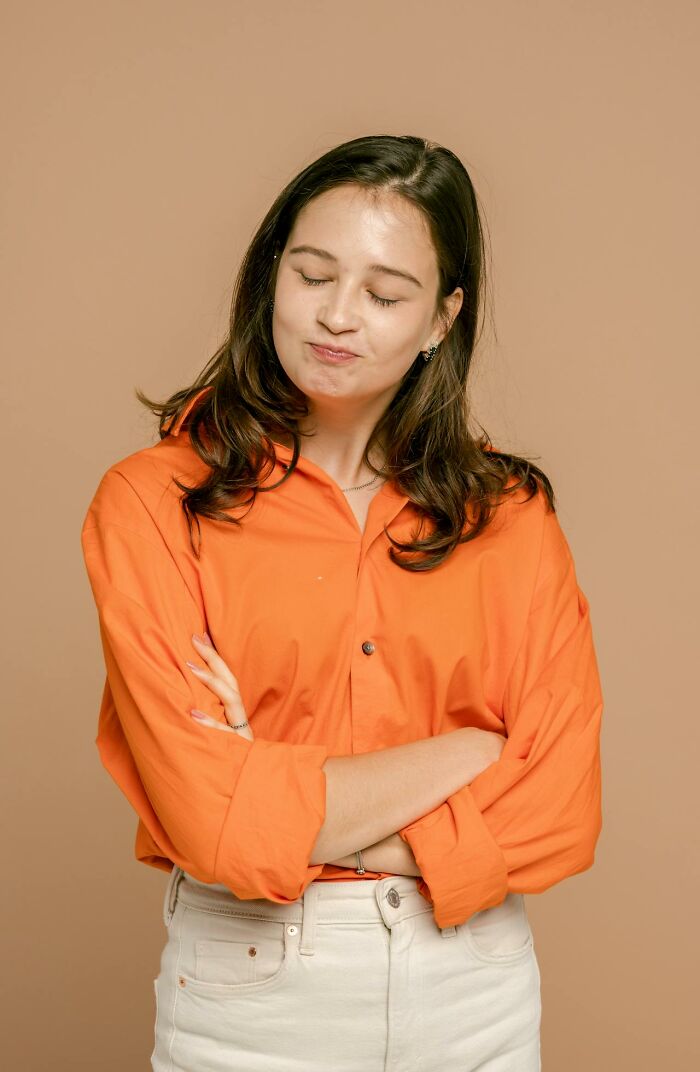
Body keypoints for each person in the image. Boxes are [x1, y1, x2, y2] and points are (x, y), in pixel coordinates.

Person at [80, 134, 603, 1071]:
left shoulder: (512, 519)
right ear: (268, 276)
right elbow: (206, 822)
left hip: (474, 990)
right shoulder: (152, 503)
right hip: (252, 994)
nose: (335, 316)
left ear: (443, 317)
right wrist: (469, 753)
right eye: (311, 273)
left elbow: (561, 812)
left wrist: (277, 798)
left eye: (385, 294)